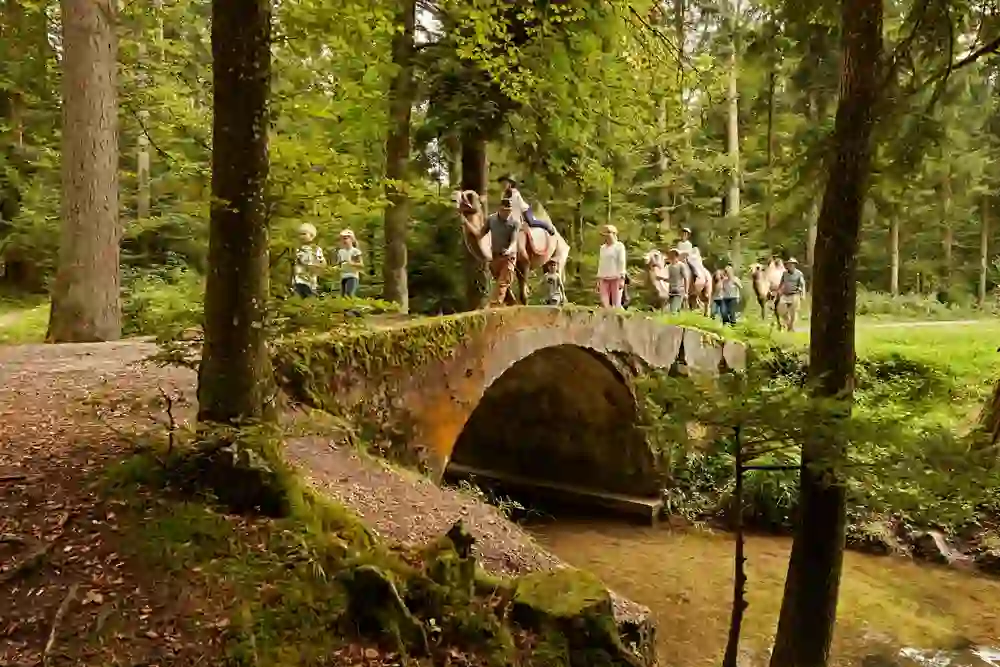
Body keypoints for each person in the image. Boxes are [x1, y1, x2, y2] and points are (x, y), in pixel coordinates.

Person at [478, 197, 520, 307]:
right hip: (495, 257)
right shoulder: (491, 219)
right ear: (499, 209)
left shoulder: (514, 223)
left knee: (502, 283)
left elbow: (514, 241)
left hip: (508, 257)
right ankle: (512, 304)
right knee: (501, 283)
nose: (507, 213)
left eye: (509, 211)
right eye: (505, 210)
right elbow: (480, 234)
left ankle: (494, 307)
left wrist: (509, 250)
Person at [596, 225, 626, 308]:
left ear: (614, 234)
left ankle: (619, 319)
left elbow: (622, 262)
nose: (607, 237)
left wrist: (622, 279)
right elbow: (601, 263)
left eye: (608, 234)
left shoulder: (619, 246)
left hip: (616, 277)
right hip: (604, 277)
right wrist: (598, 279)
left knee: (616, 303)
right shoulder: (603, 248)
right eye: (605, 235)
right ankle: (608, 318)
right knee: (604, 302)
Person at [292, 223, 326, 298]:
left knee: (310, 298)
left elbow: (322, 263)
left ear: (311, 235)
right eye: (300, 234)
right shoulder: (297, 249)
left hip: (310, 280)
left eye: (304, 234)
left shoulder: (316, 249)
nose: (302, 236)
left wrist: (316, 268)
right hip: (298, 279)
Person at [777, 257, 806, 331]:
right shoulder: (785, 273)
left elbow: (802, 284)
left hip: (794, 294)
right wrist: (779, 291)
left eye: (791, 265)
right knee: (781, 310)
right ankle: (788, 323)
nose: (790, 266)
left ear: (794, 265)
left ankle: (791, 326)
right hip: (785, 294)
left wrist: (802, 294)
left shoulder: (799, 274)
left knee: (793, 312)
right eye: (788, 264)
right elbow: (781, 283)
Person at [336, 229, 364, 298]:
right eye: (342, 239)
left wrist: (352, 263)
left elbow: (361, 265)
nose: (344, 241)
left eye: (346, 238)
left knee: (349, 294)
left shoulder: (355, 251)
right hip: (343, 276)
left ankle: (355, 308)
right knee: (343, 297)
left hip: (352, 276)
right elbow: (339, 264)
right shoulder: (340, 252)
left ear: (351, 239)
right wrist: (336, 269)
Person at [666, 248, 688, 314]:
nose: (671, 256)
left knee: (673, 311)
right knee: (674, 310)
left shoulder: (681, 265)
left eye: (672, 254)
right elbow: (670, 279)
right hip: (671, 291)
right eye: (670, 255)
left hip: (679, 290)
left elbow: (686, 278)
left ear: (676, 255)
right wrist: (661, 279)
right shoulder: (669, 267)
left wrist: (686, 292)